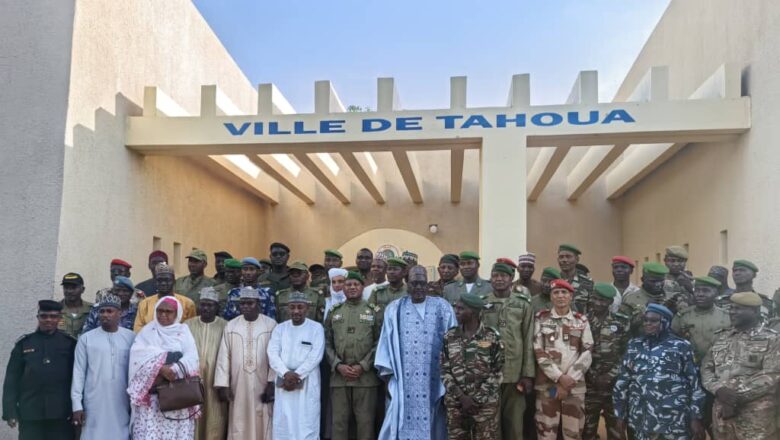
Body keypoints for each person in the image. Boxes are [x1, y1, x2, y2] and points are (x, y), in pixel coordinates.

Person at [375, 265, 456, 439]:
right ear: (407, 284)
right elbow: (385, 344)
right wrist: (389, 377)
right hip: (404, 381)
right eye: (414, 283)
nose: (418, 288)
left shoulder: (443, 307)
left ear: (428, 284)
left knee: (436, 421)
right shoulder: (394, 309)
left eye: (422, 283)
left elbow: (454, 341)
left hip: (434, 378)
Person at [613, 303, 705, 440]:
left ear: (666, 322)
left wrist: (695, 417)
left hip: (674, 421)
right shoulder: (635, 345)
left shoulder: (681, 346)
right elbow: (623, 382)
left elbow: (695, 384)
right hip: (640, 420)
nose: (648, 324)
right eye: (646, 320)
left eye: (653, 321)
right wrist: (619, 415)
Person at [701, 292, 780, 439]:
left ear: (755, 311)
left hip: (755, 418)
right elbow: (706, 369)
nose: (732, 311)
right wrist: (718, 389)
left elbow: (772, 375)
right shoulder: (721, 337)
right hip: (722, 416)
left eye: (738, 308)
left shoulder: (773, 339)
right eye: (731, 308)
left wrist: (734, 398)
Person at [128, 296, 200, 439]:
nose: (163, 315)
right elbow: (137, 357)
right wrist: (160, 368)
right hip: (152, 399)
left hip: (177, 398)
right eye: (160, 311)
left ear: (177, 313)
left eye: (168, 312)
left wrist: (175, 369)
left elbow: (192, 358)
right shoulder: (147, 331)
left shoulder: (183, 331)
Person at [2, 300, 77, 439]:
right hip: (30, 413)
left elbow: (77, 378)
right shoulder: (24, 344)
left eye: (53, 316)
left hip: (60, 413)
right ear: (38, 317)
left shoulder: (70, 344)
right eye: (44, 316)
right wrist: (10, 411)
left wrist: (77, 408)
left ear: (60, 318)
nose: (48, 320)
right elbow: (12, 379)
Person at [214, 286, 277, 440]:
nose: (246, 307)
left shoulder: (271, 325)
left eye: (250, 303)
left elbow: (276, 356)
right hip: (238, 385)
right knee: (238, 420)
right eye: (243, 303)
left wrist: (271, 382)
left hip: (263, 384)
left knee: (263, 418)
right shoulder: (231, 325)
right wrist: (223, 384)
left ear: (259, 304)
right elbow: (224, 356)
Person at [533, 279, 593, 440]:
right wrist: (559, 377)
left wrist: (569, 379)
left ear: (571, 296)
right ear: (551, 297)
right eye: (556, 292)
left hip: (574, 387)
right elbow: (538, 350)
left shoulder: (581, 321)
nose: (560, 296)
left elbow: (587, 352)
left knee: (573, 433)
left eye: (564, 292)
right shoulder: (541, 318)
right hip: (548, 386)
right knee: (546, 432)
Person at [325, 271, 381, 440]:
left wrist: (363, 365)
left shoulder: (373, 311)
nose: (351, 287)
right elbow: (326, 343)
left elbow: (380, 342)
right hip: (339, 378)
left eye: (356, 284)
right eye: (348, 284)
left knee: (365, 423)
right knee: (339, 424)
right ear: (343, 288)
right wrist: (337, 365)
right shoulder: (334, 312)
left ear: (362, 287)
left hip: (365, 379)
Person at [70, 294, 135, 440]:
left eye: (109, 311)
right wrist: (77, 405)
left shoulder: (131, 338)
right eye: (102, 311)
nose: (105, 315)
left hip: (121, 401)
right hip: (93, 402)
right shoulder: (86, 338)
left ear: (120, 313)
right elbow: (78, 373)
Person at [482, 261, 535, 440]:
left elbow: (528, 339)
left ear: (511, 279)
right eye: (495, 276)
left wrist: (528, 374)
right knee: (490, 423)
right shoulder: (484, 304)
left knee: (514, 424)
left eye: (503, 276)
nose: (499, 279)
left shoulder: (522, 305)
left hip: (515, 374)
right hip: (488, 374)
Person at [441, 293, 505, 440]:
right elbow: (444, 370)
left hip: (485, 407)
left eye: (461, 309)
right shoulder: (449, 336)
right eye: (455, 308)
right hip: (456, 405)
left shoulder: (491, 336)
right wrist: (462, 398)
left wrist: (476, 399)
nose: (456, 311)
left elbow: (498, 371)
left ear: (474, 312)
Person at [267, 292, 325, 439]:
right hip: (283, 380)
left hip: (307, 381)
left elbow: (316, 355)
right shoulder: (280, 328)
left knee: (306, 421)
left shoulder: (316, 328)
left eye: (300, 307)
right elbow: (272, 353)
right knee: (284, 420)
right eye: (292, 307)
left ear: (307, 308)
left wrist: (298, 374)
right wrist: (285, 373)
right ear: (288, 308)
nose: (296, 311)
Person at [582, 283, 631, 440]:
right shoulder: (581, 320)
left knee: (616, 429)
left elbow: (627, 353)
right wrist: (590, 375)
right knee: (587, 430)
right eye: (595, 299)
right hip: (589, 385)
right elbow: (575, 352)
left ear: (610, 302)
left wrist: (611, 374)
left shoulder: (621, 322)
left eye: (603, 300)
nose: (598, 303)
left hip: (614, 386)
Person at [185, 288, 228, 440]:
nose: (206, 308)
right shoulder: (187, 325)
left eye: (210, 305)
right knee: (193, 417)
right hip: (192, 380)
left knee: (215, 418)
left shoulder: (226, 326)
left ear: (217, 307)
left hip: (215, 380)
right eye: (203, 304)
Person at [134, 263, 196, 332]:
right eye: (160, 280)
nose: (163, 283)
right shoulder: (145, 304)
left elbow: (191, 328)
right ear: (155, 282)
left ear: (174, 282)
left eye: (167, 280)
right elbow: (138, 329)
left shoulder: (187, 304)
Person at [622, 262, 671, 335]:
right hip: (639, 342)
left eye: (661, 281)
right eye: (653, 281)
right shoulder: (630, 299)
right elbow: (623, 326)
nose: (658, 285)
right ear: (643, 279)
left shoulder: (672, 298)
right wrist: (645, 309)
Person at [556, 244, 594, 313]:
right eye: (561, 257)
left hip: (581, 322)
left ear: (577, 259)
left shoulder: (587, 282)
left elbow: (591, 308)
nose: (564, 260)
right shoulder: (554, 281)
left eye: (568, 257)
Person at [59, 272, 93, 338]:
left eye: (73, 288)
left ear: (83, 289)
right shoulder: (55, 309)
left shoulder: (92, 310)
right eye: (66, 287)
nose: (69, 291)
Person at [662, 246, 694, 312]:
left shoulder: (690, 279)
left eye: (680, 261)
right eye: (672, 261)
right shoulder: (659, 279)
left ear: (685, 262)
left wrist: (690, 288)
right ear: (665, 261)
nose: (676, 264)